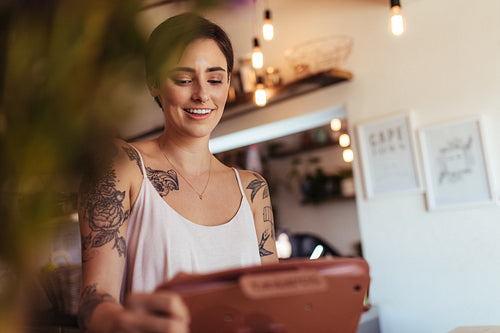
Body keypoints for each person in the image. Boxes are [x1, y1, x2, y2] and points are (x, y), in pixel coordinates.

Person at [77, 12, 278, 333]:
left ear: (228, 82)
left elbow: (274, 300)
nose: (201, 94)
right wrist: (121, 321)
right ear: (153, 83)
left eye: (214, 79)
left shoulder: (253, 189)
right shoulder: (122, 165)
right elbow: (93, 299)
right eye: (183, 79)